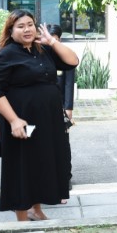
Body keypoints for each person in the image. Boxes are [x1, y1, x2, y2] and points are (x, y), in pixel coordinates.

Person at [0, 10, 79, 221]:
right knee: (22, 166)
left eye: (30, 25)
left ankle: (35, 209)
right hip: (22, 119)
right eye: (20, 26)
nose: (27, 29)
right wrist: (13, 120)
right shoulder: (5, 55)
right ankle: (22, 215)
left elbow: (72, 61)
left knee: (41, 163)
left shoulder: (43, 50)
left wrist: (52, 42)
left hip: (47, 119)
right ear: (11, 30)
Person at [48, 24, 75, 192]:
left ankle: (66, 176)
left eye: (55, 40)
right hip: (44, 107)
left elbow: (69, 84)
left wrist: (68, 108)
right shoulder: (41, 54)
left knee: (63, 143)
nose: (51, 42)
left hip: (61, 107)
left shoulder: (65, 55)